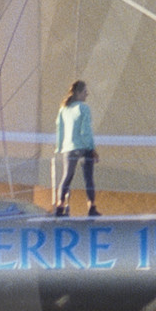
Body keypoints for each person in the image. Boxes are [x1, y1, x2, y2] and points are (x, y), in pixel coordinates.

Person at [55, 80, 99, 216]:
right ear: (79, 93)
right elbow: (85, 131)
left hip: (69, 147)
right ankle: (91, 206)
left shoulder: (63, 109)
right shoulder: (84, 108)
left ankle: (60, 205)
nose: (87, 94)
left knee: (66, 176)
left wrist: (59, 147)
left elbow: (60, 129)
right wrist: (92, 148)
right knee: (88, 177)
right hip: (83, 147)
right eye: (85, 91)